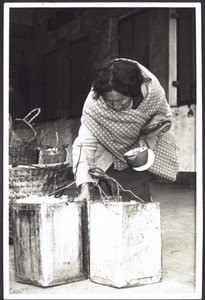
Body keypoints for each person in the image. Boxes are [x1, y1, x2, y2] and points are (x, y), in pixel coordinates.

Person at [72, 58, 178, 203]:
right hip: (105, 158)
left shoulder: (153, 93)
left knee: (139, 205)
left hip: (135, 156)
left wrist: (147, 140)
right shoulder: (95, 105)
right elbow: (85, 145)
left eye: (121, 101)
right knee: (102, 208)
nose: (115, 107)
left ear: (133, 92)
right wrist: (84, 186)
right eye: (109, 102)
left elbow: (164, 120)